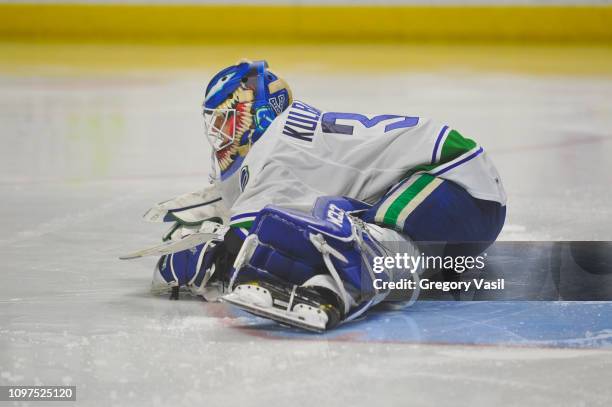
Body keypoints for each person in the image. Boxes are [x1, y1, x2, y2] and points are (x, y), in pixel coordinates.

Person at [146, 59, 507, 332]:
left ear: (257, 113)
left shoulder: (276, 149)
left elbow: (242, 242)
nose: (221, 135)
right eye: (216, 123)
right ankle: (342, 276)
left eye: (227, 121)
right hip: (458, 195)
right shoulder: (284, 141)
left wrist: (205, 258)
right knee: (327, 221)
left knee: (354, 236)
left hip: (457, 181)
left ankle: (348, 284)